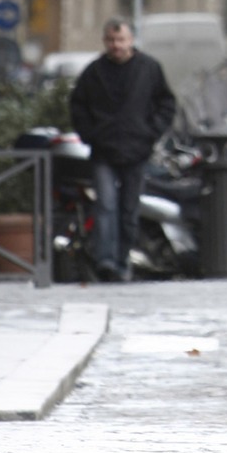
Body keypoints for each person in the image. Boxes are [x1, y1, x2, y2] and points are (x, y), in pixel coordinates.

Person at [69, 18, 177, 281]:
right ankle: (106, 262)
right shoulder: (94, 72)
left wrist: (151, 132)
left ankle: (122, 260)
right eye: (111, 40)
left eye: (121, 40)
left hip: (137, 150)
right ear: (105, 41)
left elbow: (166, 103)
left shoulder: (149, 69)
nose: (116, 45)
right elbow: (77, 105)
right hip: (104, 150)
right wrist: (90, 135)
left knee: (129, 209)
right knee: (105, 206)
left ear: (131, 40)